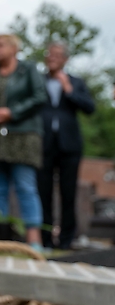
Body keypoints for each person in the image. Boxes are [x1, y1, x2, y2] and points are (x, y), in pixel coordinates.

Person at [0, 34, 47, 250]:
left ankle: (34, 240)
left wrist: (11, 112)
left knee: (25, 187)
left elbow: (39, 97)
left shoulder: (28, 70)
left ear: (14, 49)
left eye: (1, 45)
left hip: (22, 137)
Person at [38, 42, 95, 249]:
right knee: (43, 193)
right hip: (44, 144)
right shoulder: (38, 81)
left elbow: (89, 107)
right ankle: (45, 239)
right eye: (49, 54)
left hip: (69, 146)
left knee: (68, 193)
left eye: (57, 55)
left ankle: (66, 240)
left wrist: (69, 90)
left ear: (65, 59)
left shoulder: (76, 82)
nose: (52, 57)